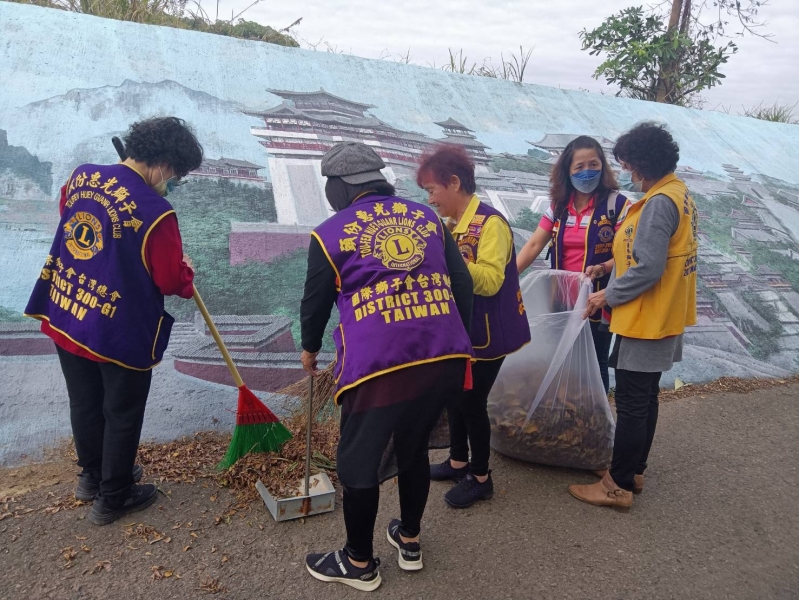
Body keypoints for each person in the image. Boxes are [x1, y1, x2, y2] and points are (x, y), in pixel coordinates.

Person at [300, 142, 474, 592]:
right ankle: (409, 540)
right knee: (412, 448)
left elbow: (316, 301)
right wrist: (454, 337)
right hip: (444, 355)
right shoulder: (427, 218)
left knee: (359, 459)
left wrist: (310, 348)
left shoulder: (329, 233)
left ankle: (358, 562)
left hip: (381, 365)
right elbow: (461, 285)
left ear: (340, 187)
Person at [24, 117, 202, 525]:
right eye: (177, 174)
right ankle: (115, 495)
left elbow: (70, 215)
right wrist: (186, 269)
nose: (174, 182)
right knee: (121, 410)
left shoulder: (82, 176)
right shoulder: (157, 212)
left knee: (85, 401)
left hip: (69, 310)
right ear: (165, 163)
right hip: (116, 329)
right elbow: (171, 280)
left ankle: (92, 477)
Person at [568, 122, 698, 509]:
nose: (625, 171)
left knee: (631, 403)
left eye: (627, 164)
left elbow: (649, 268)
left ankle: (617, 486)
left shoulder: (658, 203)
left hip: (647, 317)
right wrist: (608, 267)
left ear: (641, 163)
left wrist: (606, 294)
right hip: (661, 313)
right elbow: (649, 254)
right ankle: (633, 470)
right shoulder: (677, 194)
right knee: (644, 398)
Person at [419, 145, 531, 508]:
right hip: (464, 331)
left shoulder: (491, 224)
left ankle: (481, 478)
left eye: (432, 190)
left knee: (471, 401)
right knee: (456, 395)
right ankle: (458, 461)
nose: (430, 199)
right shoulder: (453, 226)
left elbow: (492, 281)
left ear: (454, 183)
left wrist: (450, 261)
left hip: (488, 333)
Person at [515, 136, 629, 393]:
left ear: (603, 166)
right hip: (561, 300)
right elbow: (534, 245)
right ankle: (567, 411)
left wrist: (603, 267)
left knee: (596, 361)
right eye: (579, 166)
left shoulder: (617, 205)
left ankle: (596, 414)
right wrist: (506, 278)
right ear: (567, 170)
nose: (587, 171)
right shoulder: (558, 207)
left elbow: (626, 254)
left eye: (593, 164)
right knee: (563, 360)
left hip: (596, 300)